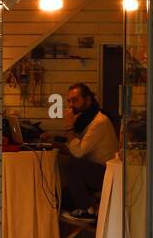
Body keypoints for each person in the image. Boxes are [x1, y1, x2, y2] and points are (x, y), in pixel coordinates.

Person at [48, 83, 118, 225]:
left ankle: (88, 210)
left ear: (88, 100)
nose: (71, 105)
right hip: (94, 173)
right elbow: (76, 148)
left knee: (71, 165)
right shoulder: (86, 120)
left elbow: (78, 154)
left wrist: (68, 126)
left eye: (75, 100)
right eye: (69, 101)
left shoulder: (99, 122)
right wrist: (55, 143)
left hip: (108, 175)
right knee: (59, 198)